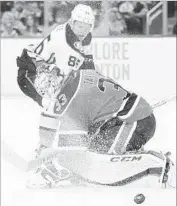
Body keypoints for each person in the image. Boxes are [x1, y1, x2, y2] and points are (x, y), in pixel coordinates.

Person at [16, 4, 175, 188]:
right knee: (70, 123)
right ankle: (46, 152)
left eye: (87, 26)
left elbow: (88, 70)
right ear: (71, 22)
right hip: (33, 72)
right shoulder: (68, 57)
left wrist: (51, 155)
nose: (83, 30)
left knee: (94, 154)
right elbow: (79, 82)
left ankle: (156, 163)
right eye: (80, 26)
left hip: (134, 119)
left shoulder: (77, 43)